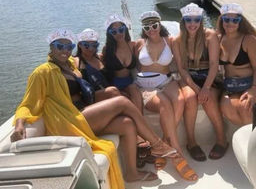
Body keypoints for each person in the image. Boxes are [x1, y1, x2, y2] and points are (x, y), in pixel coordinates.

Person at [11, 29, 177, 187]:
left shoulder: (69, 65)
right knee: (122, 102)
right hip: (69, 120)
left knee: (127, 123)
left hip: (81, 111)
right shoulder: (42, 72)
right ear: (51, 47)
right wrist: (19, 125)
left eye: (69, 47)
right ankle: (157, 144)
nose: (65, 50)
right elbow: (28, 102)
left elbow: (91, 65)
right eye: (60, 46)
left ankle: (131, 174)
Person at [134, 11, 198, 182]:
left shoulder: (170, 41)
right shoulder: (139, 43)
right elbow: (121, 59)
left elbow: (181, 64)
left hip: (166, 81)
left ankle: (164, 143)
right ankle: (177, 154)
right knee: (165, 105)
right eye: (147, 27)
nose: (151, 30)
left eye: (154, 25)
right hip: (146, 86)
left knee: (180, 100)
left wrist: (193, 85)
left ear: (159, 25)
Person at [172, 3, 228, 162]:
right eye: (188, 20)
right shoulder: (177, 41)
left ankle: (222, 139)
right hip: (189, 78)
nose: (192, 24)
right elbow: (182, 69)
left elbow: (213, 65)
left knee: (208, 97)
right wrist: (197, 89)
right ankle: (191, 142)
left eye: (196, 20)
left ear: (200, 20)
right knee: (189, 98)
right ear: (183, 21)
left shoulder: (209, 36)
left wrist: (205, 88)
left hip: (209, 78)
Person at [217, 3, 256, 125]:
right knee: (228, 109)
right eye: (226, 19)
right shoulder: (218, 38)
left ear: (240, 21)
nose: (230, 23)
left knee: (245, 107)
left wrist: (254, 89)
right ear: (221, 20)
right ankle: (248, 136)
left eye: (235, 20)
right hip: (232, 86)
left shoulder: (249, 40)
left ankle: (252, 141)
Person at [102, 14, 143, 113]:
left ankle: (140, 119)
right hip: (115, 84)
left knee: (134, 89)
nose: (118, 33)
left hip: (130, 82)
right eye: (114, 31)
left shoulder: (132, 45)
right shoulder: (107, 49)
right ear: (109, 33)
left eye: (121, 29)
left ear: (125, 28)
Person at [74, 28, 120, 102]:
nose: (90, 49)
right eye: (86, 45)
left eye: (94, 45)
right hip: (91, 97)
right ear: (79, 45)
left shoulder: (100, 58)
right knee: (112, 91)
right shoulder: (76, 61)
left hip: (109, 93)